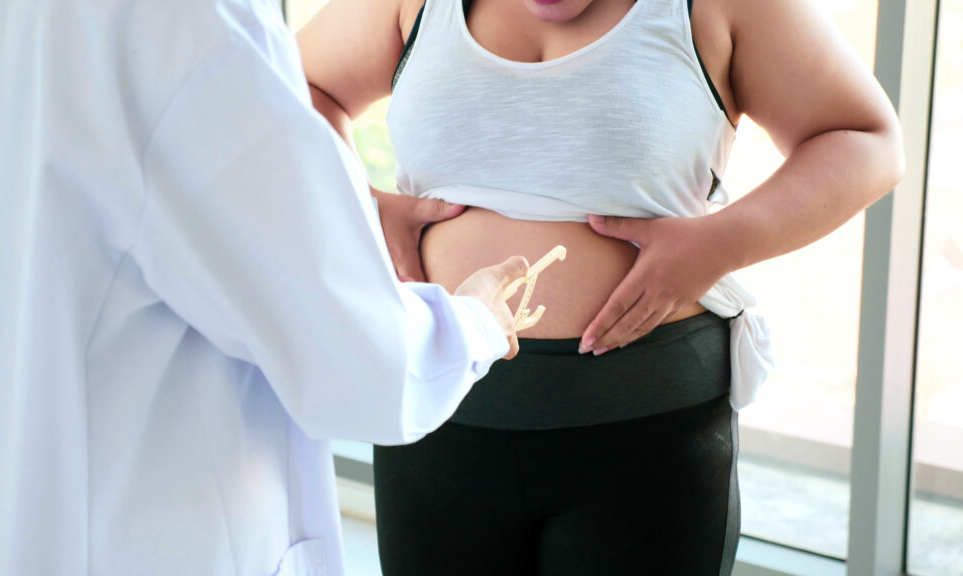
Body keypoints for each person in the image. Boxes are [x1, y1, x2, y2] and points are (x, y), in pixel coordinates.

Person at [297, 0, 904, 572]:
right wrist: (358, 203)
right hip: (435, 415)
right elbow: (292, 90)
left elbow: (863, 139)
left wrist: (722, 241)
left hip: (647, 435)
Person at [0, 0, 533, 574]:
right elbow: (362, 364)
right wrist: (473, 321)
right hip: (147, 533)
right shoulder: (187, 22)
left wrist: (339, 205)